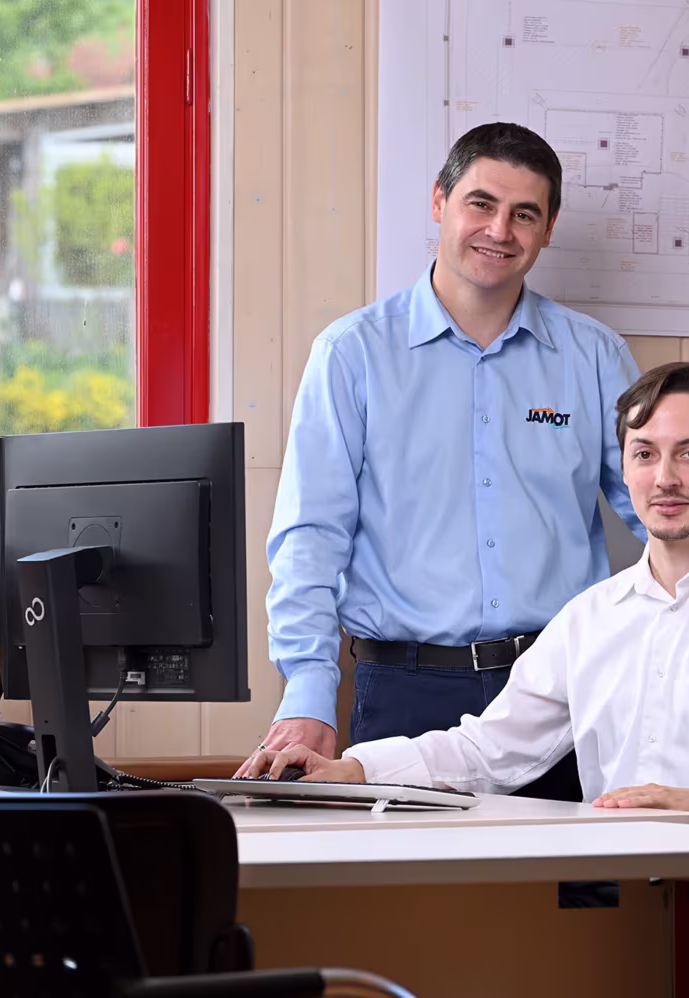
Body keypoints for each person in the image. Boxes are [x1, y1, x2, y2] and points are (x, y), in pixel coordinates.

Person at [243, 361, 689, 998]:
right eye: (645, 454)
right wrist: (353, 770)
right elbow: (489, 749)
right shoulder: (589, 618)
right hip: (618, 884)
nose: (664, 477)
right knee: (473, 931)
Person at [237, 122, 646, 799]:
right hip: (404, 690)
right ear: (439, 202)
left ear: (548, 229)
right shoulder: (353, 354)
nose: (499, 230)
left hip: (559, 691)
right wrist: (309, 691)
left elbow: (665, 514)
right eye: (481, 203)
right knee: (406, 873)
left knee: (567, 869)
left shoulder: (596, 357)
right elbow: (311, 538)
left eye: (525, 214)